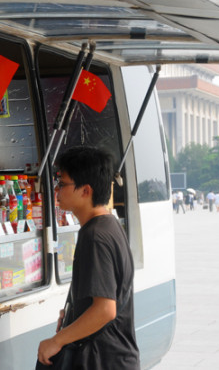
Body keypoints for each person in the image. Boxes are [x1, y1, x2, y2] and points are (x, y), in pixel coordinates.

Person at [37, 146, 139, 370]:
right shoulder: (108, 224)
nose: (57, 189)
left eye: (62, 184)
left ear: (85, 191)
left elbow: (105, 309)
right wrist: (74, 313)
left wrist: (56, 341)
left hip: (102, 360)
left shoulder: (95, 236)